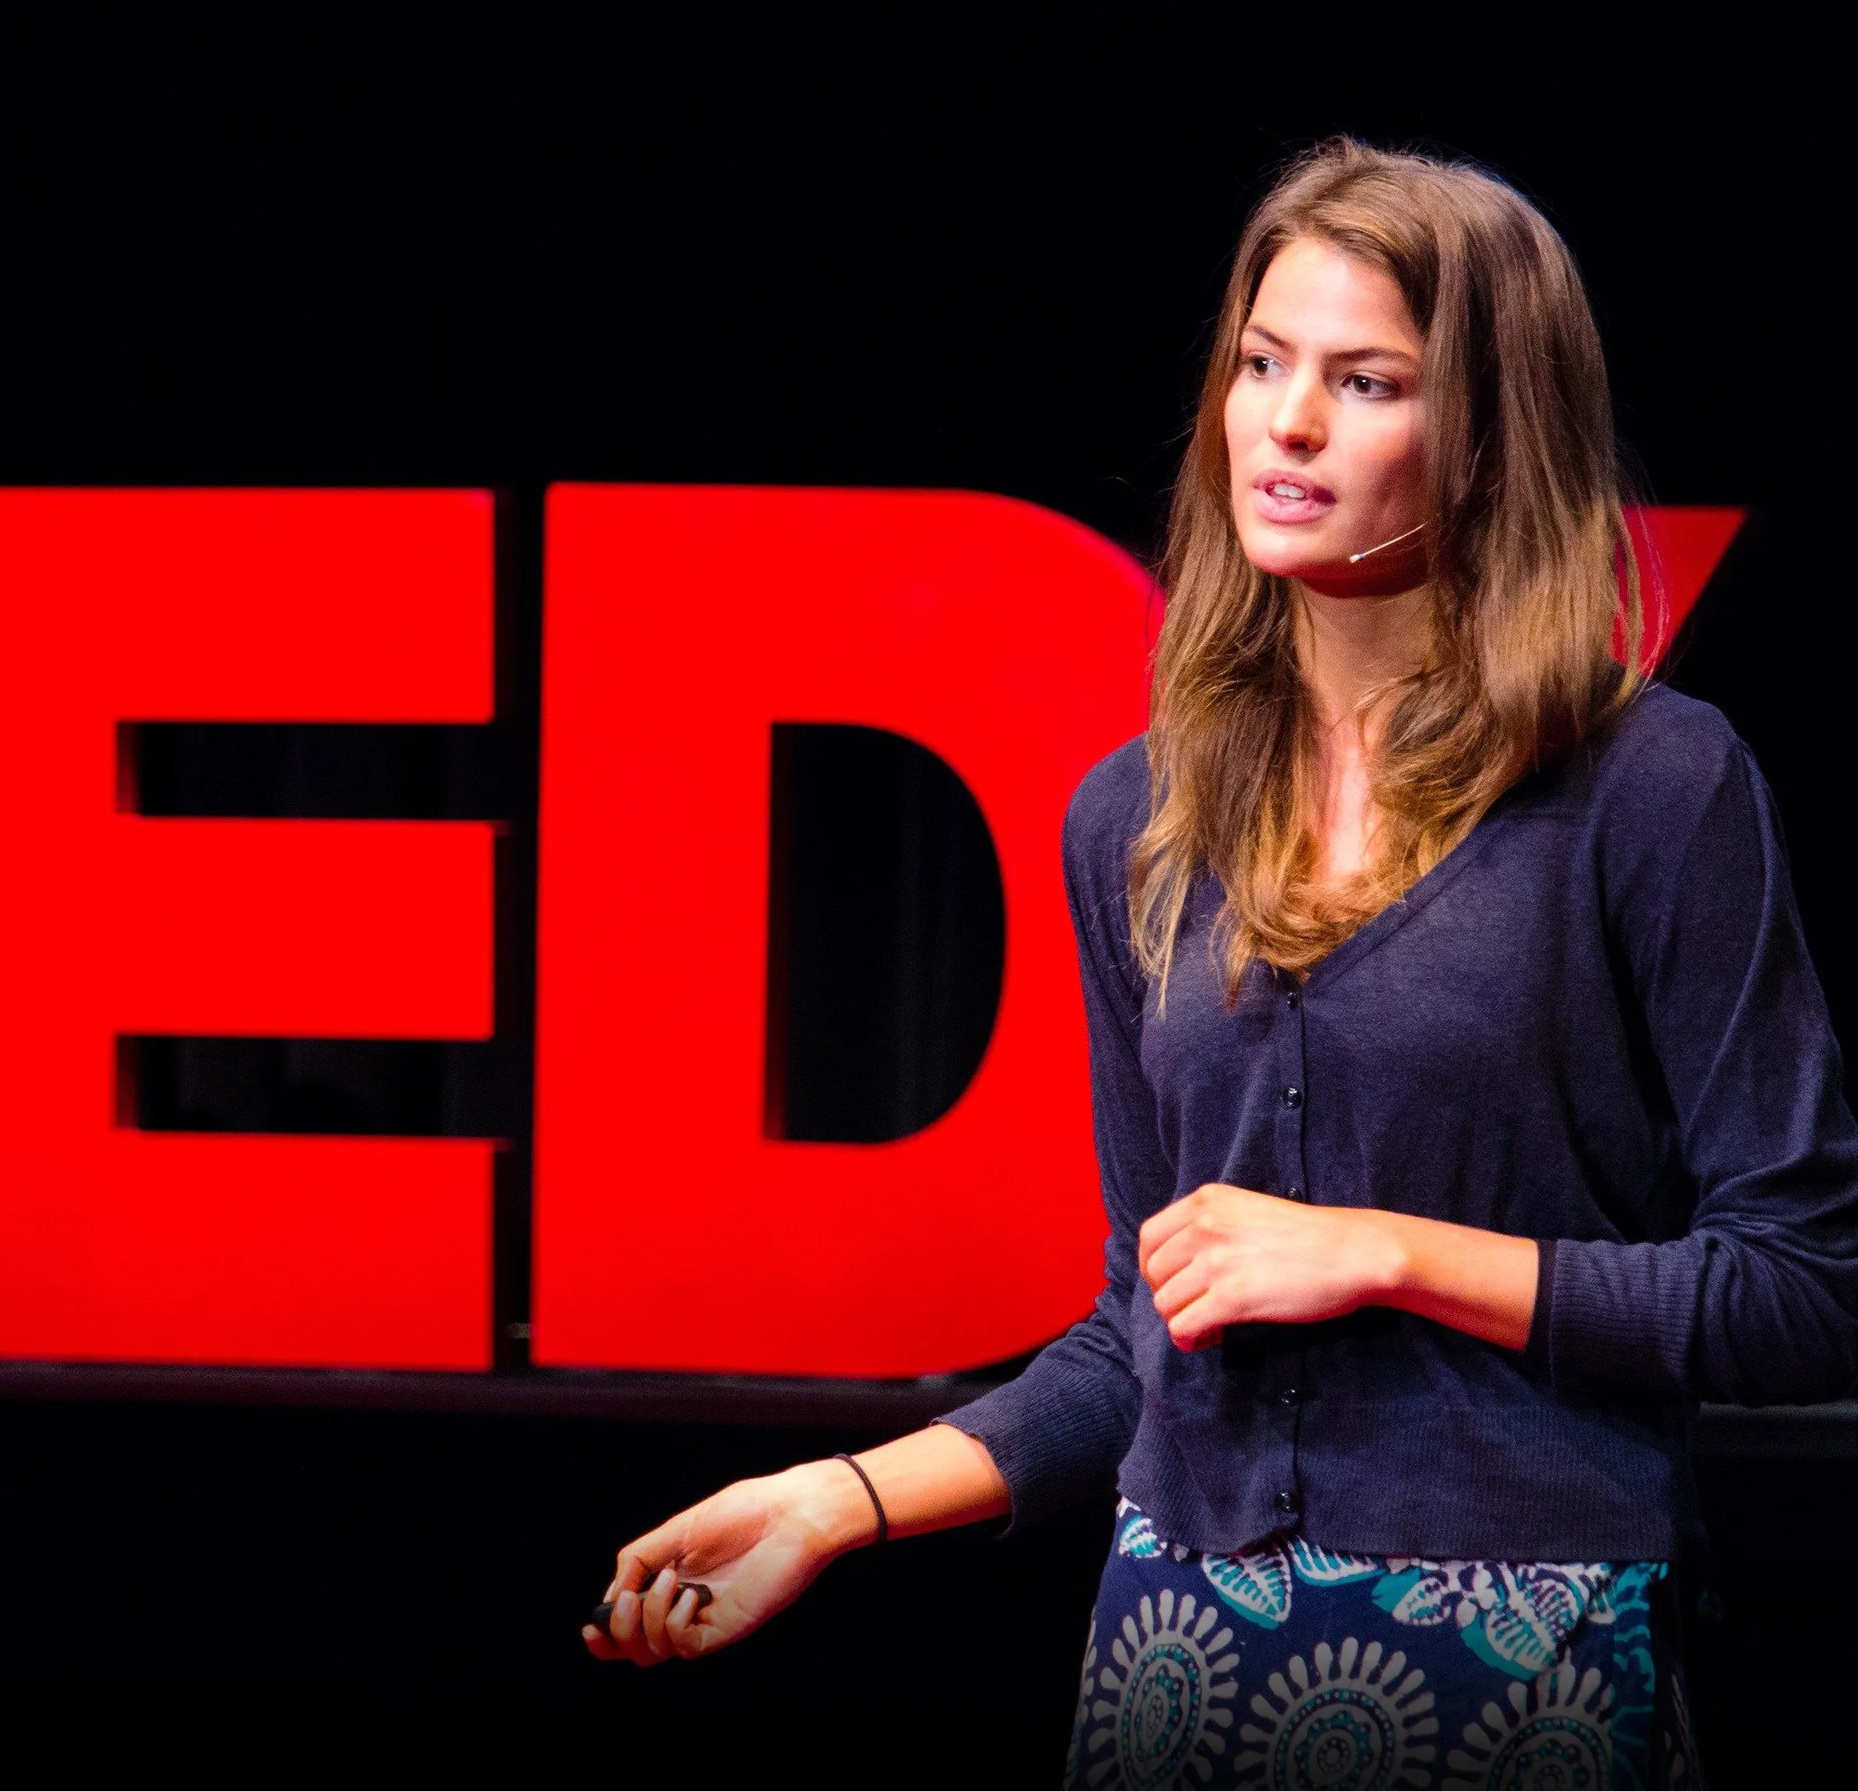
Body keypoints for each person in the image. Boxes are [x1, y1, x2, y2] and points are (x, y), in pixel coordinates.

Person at [581, 138, 1858, 1786]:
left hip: (1526, 1643)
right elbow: (1149, 1324)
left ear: (1486, 439)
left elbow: (1809, 1291)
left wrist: (1391, 1252)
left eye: (1366, 379)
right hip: (1180, 1645)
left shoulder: (1653, 788)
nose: (1290, 422)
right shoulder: (1141, 813)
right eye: (1263, 363)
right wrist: (840, 1500)